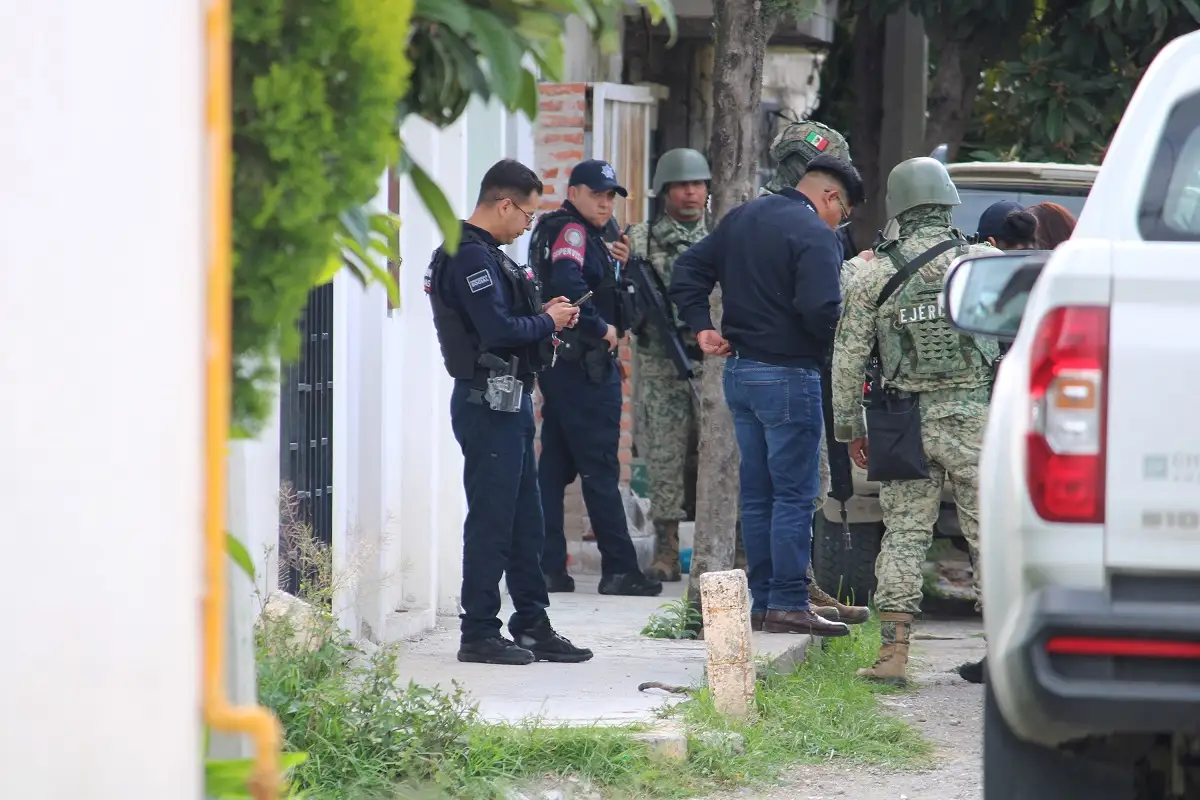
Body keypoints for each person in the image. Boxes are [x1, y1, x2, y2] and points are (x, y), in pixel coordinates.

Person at [670, 154, 866, 638]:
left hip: (740, 376)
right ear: (831, 197)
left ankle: (763, 604)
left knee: (757, 496)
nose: (841, 222)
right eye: (844, 212)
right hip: (789, 376)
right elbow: (820, 308)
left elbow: (687, 271)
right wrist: (830, 347)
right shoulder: (817, 234)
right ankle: (788, 603)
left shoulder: (742, 217)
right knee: (795, 497)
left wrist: (702, 329)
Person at [831, 157, 1000, 684]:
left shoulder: (868, 272)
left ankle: (893, 656)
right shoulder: (981, 261)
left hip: (903, 422)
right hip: (976, 417)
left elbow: (848, 356)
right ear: (948, 200)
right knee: (988, 536)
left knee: (903, 533)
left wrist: (849, 428)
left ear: (897, 206)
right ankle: (1003, 653)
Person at [426, 159, 593, 666]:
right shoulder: (469, 258)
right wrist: (547, 319)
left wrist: (550, 317)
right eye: (525, 215)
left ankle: (532, 625)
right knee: (493, 520)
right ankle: (478, 631)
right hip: (486, 402)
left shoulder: (489, 256)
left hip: (509, 397)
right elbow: (497, 330)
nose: (526, 227)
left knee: (526, 520)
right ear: (504, 203)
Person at [530, 159, 664, 598]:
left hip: (564, 367)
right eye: (598, 194)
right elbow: (567, 289)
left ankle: (548, 567)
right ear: (575, 193)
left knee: (553, 469)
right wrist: (600, 328)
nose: (606, 203)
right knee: (601, 470)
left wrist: (617, 265)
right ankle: (620, 569)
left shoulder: (588, 235)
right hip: (583, 367)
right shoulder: (572, 232)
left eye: (611, 196)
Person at [758, 120, 872, 627]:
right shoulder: (787, 219)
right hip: (783, 367)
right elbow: (815, 293)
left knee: (804, 483)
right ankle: (784, 589)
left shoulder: (794, 217)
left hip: (797, 364)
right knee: (789, 486)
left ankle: (795, 583)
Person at [627, 148, 712, 583]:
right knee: (664, 456)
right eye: (682, 185)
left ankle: (721, 550)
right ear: (665, 191)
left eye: (698, 183)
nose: (692, 192)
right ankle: (665, 546)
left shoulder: (721, 235)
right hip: (661, 363)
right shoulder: (639, 239)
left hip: (712, 362)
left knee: (717, 455)